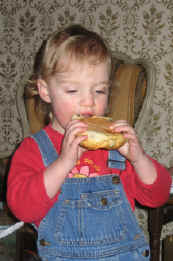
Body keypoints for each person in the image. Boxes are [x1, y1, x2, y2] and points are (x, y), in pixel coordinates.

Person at [7, 24, 171, 261]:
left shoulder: (116, 148)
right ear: (45, 90)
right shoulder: (33, 149)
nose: (88, 102)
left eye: (100, 91)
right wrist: (63, 163)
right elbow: (22, 208)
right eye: (73, 90)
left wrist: (138, 158)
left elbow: (158, 195)